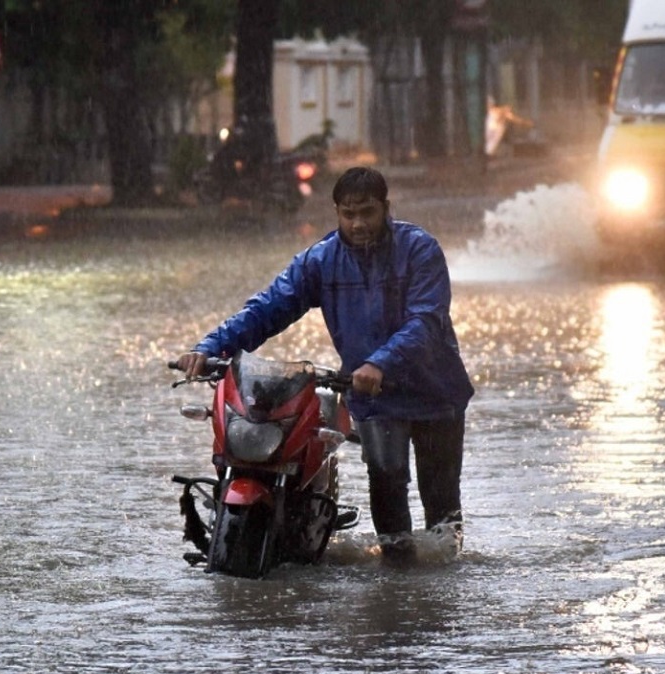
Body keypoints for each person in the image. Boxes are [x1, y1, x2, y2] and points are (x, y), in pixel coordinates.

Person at [177, 166, 474, 564]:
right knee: (386, 487)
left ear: (387, 208)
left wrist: (379, 363)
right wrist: (211, 347)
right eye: (348, 214)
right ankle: (398, 579)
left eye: (367, 212)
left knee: (440, 504)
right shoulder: (321, 260)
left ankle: (443, 589)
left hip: (434, 392)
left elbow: (425, 320)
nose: (358, 223)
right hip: (374, 397)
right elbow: (267, 308)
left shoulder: (420, 250)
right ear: (336, 212)